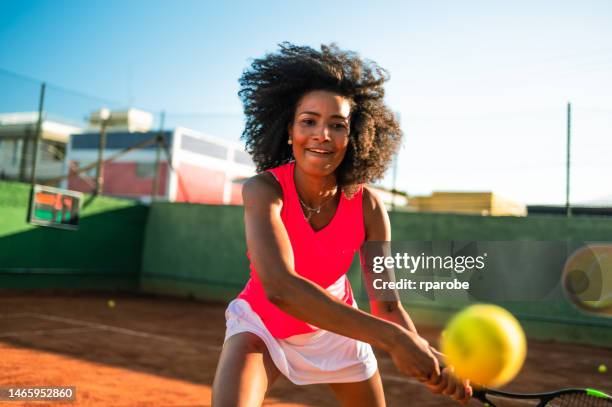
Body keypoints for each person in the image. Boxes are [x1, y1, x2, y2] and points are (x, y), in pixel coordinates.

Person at [212, 43, 472, 407]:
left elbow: (388, 306)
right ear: (288, 131)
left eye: (338, 125)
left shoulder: (369, 206)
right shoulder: (264, 190)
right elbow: (279, 288)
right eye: (309, 121)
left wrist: (429, 358)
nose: (323, 135)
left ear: (353, 138)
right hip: (263, 324)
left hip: (338, 329)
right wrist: (395, 341)